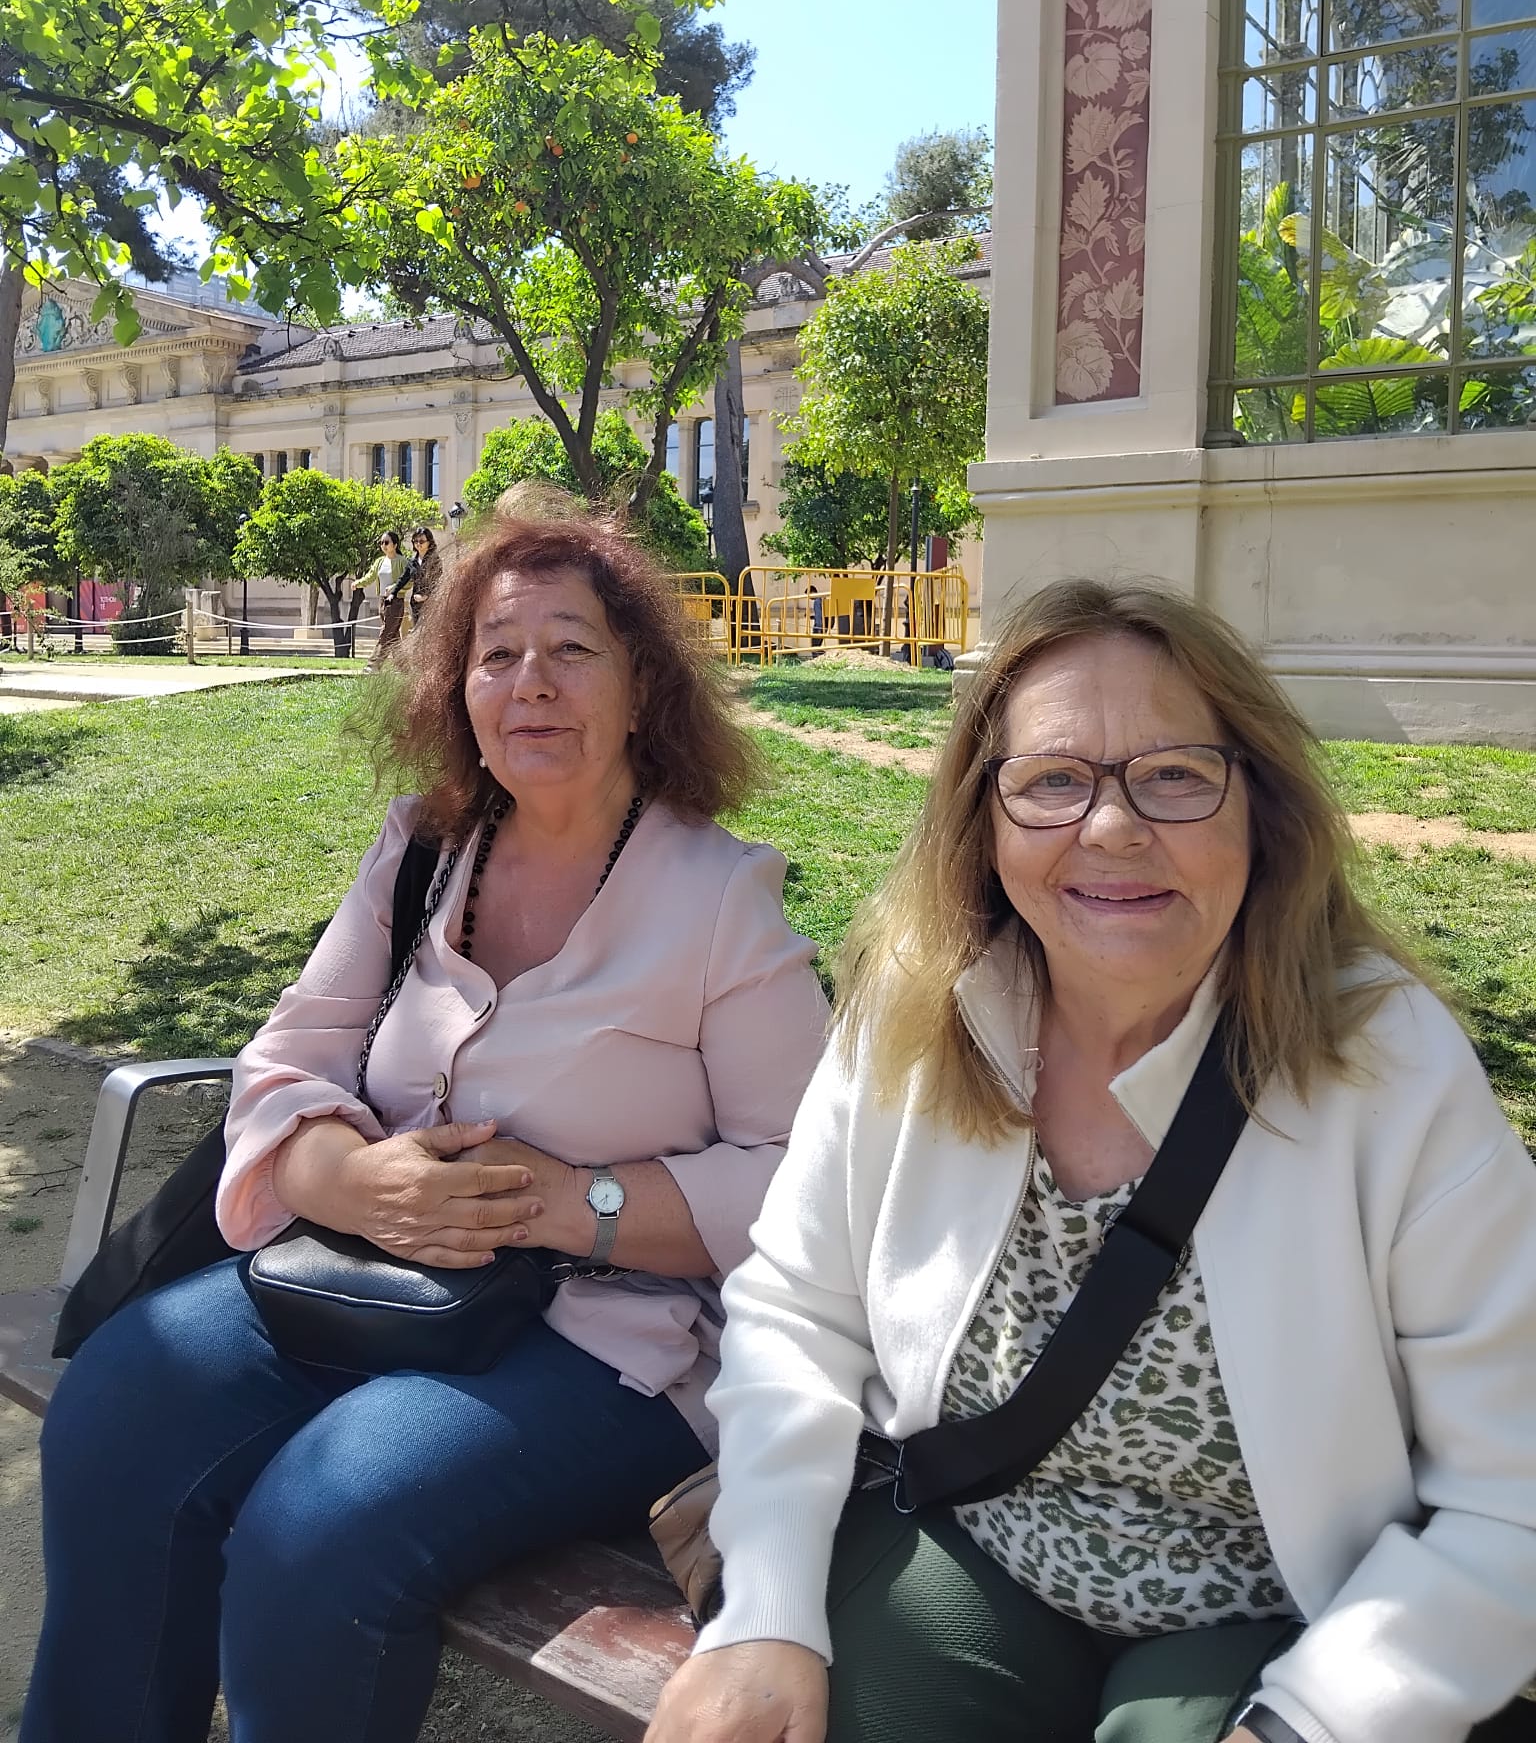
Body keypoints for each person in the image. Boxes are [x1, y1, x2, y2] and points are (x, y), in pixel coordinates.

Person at [648, 577, 1536, 1743]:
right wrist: (762, 1610)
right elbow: (800, 1310)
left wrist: (1311, 1722)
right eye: (1053, 779)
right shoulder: (921, 1008)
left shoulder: (1389, 1062)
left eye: (1175, 773)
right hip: (977, 1550)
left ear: (1259, 805)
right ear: (985, 816)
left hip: (1280, 1612)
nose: (1112, 826)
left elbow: (1514, 1485)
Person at [24, 502, 831, 1743]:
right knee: (119, 1408)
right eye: (498, 653)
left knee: (318, 1526)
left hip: (609, 1340)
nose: (531, 682)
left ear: (641, 687)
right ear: (458, 690)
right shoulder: (422, 850)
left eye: (572, 648)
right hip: (372, 1274)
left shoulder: (721, 898)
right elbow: (287, 1059)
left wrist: (569, 1201)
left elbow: (805, 1181)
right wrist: (351, 1180)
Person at [359, 527, 408, 667]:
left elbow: (409, 580)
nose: (383, 545)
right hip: (382, 601)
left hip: (395, 601)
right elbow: (371, 576)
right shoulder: (380, 561)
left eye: (386, 542)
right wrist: (358, 583)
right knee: (393, 636)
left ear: (395, 545)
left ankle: (373, 664)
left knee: (386, 632)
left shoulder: (402, 561)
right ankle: (405, 668)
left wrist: (395, 587)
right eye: (381, 543)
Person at [406, 524, 442, 625]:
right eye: (415, 541)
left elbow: (437, 582)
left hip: (430, 603)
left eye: (421, 541)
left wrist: (426, 596)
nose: (418, 544)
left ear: (429, 542)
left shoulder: (434, 560)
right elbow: (405, 579)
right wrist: (394, 589)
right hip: (415, 604)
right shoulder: (412, 561)